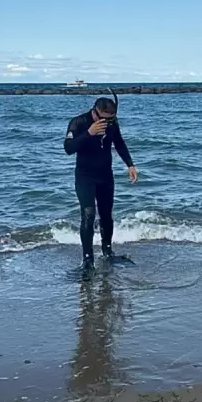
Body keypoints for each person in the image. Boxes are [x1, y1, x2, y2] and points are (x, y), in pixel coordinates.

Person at [64, 95, 139, 273]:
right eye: (104, 118)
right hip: (85, 177)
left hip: (105, 175)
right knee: (88, 215)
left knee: (106, 215)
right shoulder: (79, 122)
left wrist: (130, 165)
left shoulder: (112, 123)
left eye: (111, 118)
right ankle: (87, 259)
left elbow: (119, 143)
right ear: (96, 112)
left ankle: (107, 251)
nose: (107, 121)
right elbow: (68, 148)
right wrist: (89, 133)